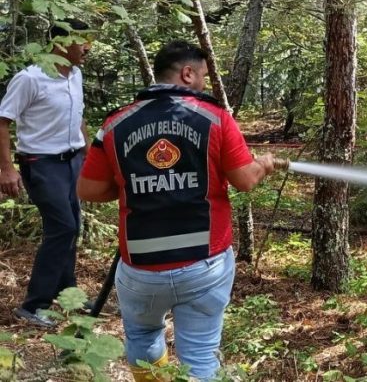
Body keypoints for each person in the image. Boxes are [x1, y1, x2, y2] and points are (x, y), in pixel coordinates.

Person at [77, 40, 276, 381]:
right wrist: (263, 164)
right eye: (201, 75)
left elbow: (89, 189)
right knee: (198, 355)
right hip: (204, 264)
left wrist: (131, 185)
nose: (203, 83)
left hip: (141, 267)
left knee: (141, 338)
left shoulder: (114, 124)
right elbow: (244, 180)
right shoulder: (215, 119)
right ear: (187, 73)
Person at [0, 19, 93, 328]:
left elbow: (77, 117)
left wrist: (89, 153)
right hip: (41, 163)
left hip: (72, 162)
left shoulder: (76, 75)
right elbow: (3, 121)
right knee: (62, 228)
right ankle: (34, 304)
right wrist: (6, 169)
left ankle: (69, 296)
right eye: (81, 41)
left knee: (72, 226)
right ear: (60, 44)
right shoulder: (31, 78)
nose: (87, 47)